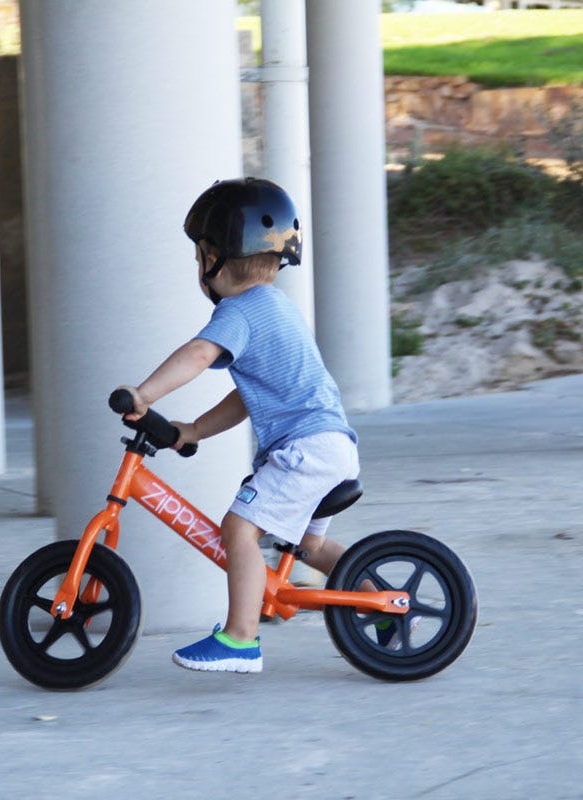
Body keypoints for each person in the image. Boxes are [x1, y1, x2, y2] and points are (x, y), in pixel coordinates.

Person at [114, 178, 361, 674]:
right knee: (308, 545)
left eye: (198, 256)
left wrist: (144, 394)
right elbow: (244, 398)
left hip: (305, 449)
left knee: (238, 528)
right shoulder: (275, 309)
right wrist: (194, 430)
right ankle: (381, 606)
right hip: (330, 446)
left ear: (212, 255)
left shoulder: (241, 311)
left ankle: (241, 640)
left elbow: (198, 354)